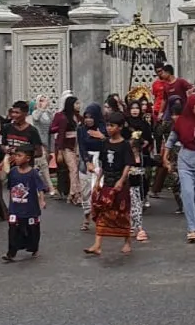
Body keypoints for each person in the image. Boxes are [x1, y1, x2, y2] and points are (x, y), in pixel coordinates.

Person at [165, 94, 195, 243]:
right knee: (187, 193)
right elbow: (172, 139)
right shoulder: (181, 121)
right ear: (191, 105)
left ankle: (193, 228)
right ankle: (194, 228)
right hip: (185, 161)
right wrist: (165, 156)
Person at [86, 112, 135, 256]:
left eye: (112, 126)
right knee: (102, 211)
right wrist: (98, 180)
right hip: (107, 181)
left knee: (122, 213)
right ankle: (97, 245)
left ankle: (127, 242)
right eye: (107, 125)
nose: (109, 128)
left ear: (119, 127)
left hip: (120, 183)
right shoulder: (105, 143)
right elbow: (103, 164)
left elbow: (128, 164)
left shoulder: (125, 145)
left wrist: (121, 180)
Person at [4, 143, 48, 261]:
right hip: (15, 208)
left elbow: (40, 187)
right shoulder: (13, 172)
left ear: (28, 158)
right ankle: (11, 252)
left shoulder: (33, 173)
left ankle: (34, 248)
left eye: (19, 155)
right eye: (16, 155)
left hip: (30, 208)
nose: (16, 158)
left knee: (32, 229)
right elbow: (10, 187)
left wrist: (42, 200)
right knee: (13, 229)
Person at [77, 103, 107, 231]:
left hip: (100, 160)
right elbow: (81, 146)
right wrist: (87, 161)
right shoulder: (81, 129)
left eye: (91, 117)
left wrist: (103, 137)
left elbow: (109, 145)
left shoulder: (103, 128)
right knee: (85, 192)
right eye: (86, 117)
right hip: (86, 161)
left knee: (99, 190)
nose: (88, 120)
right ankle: (87, 215)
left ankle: (100, 217)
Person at [49, 92, 79, 202]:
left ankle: (74, 193)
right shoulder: (62, 117)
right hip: (66, 147)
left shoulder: (76, 116)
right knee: (72, 169)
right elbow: (59, 133)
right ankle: (73, 194)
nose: (79, 105)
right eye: (76, 103)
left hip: (76, 146)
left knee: (76, 170)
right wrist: (60, 151)